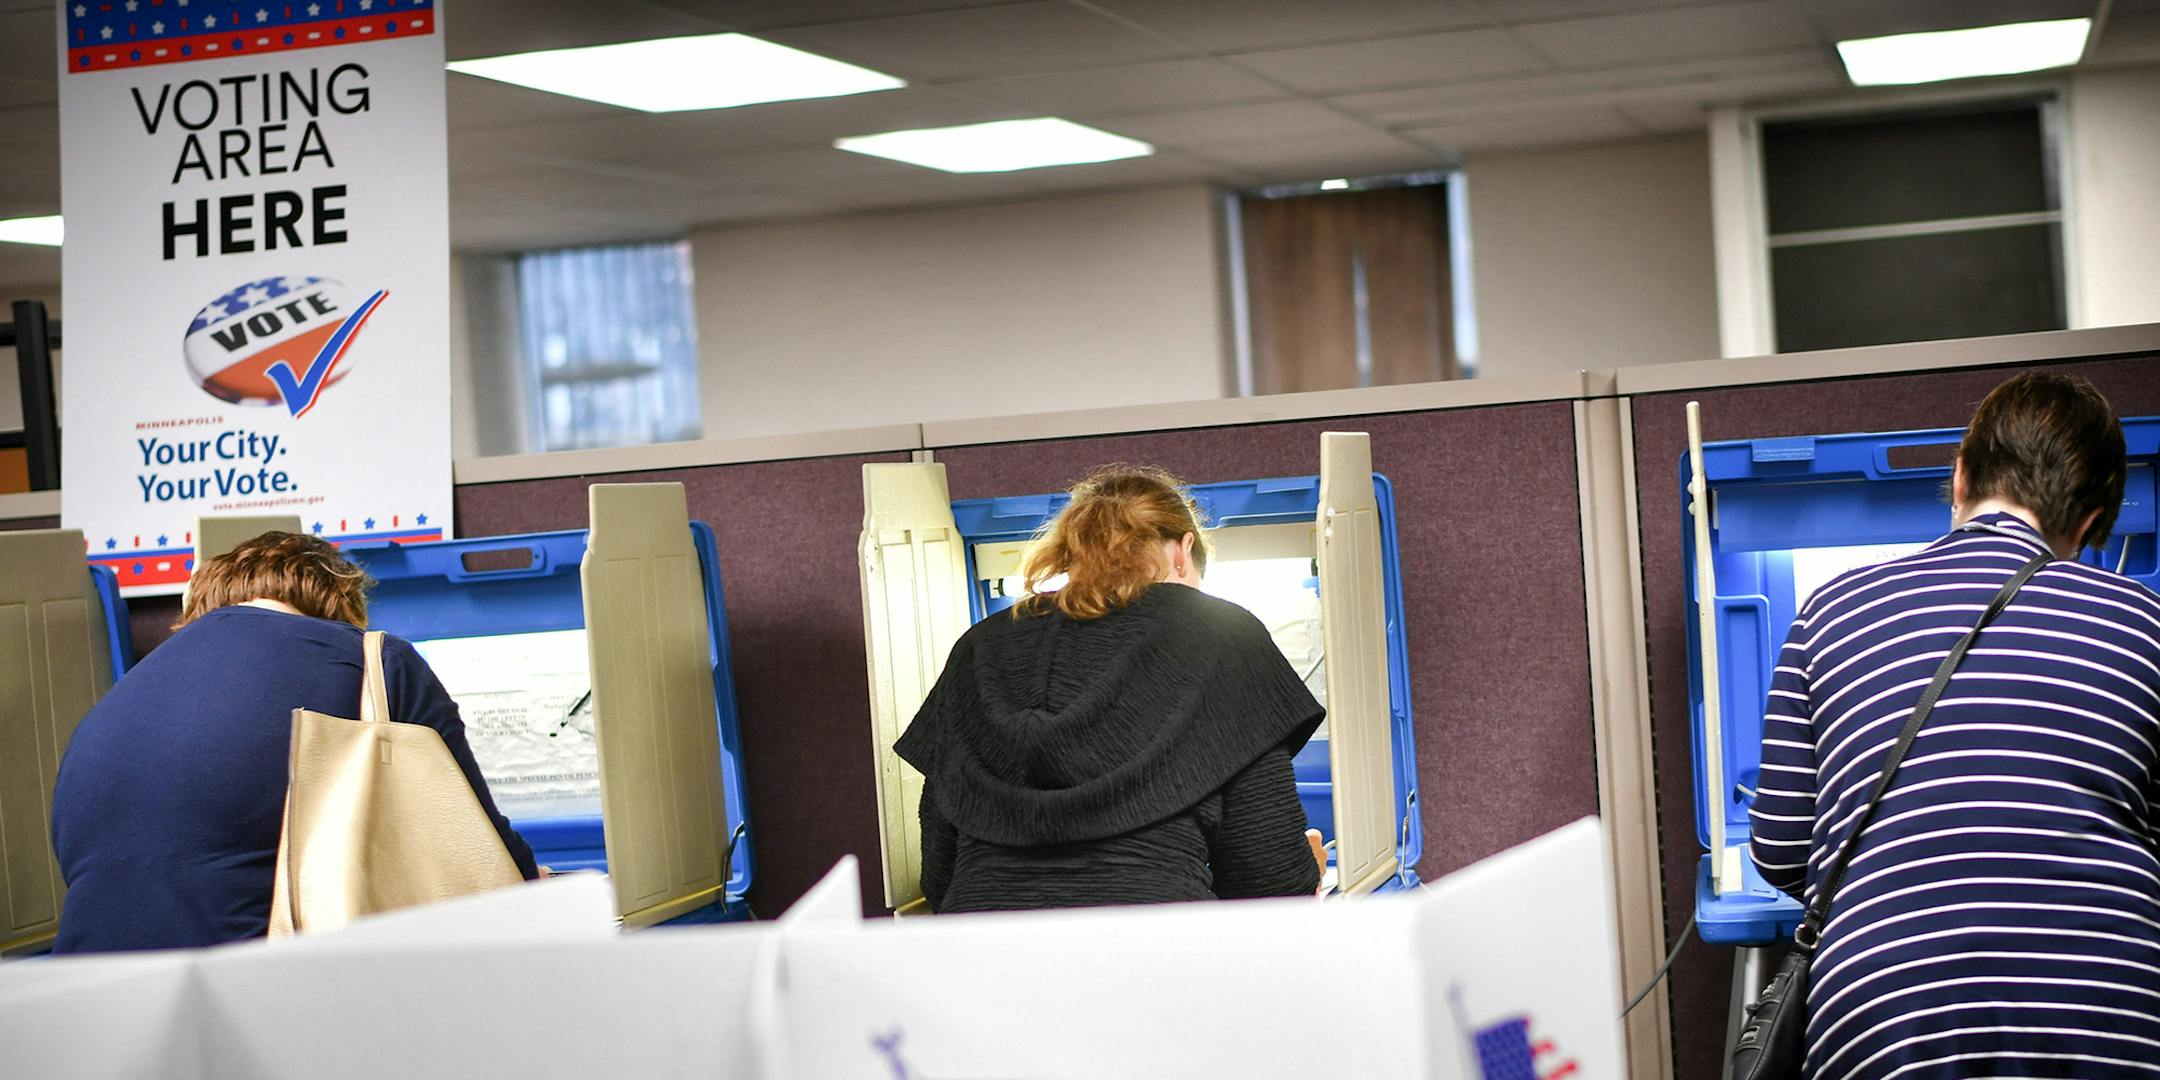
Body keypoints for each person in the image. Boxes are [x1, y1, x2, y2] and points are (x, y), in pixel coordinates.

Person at [1749, 372, 2160, 1079]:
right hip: (2108, 1017)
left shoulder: (1831, 610)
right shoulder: (2145, 621)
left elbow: (1780, 851)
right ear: (2091, 522)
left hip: (1885, 1023)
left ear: (1960, 474)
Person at [50, 532, 537, 953]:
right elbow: (485, 853)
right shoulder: (372, 660)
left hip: (85, 1011)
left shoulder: (108, 708)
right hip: (247, 1000)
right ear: (338, 605)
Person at [896, 464, 1329, 912]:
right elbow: (1266, 882)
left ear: (1072, 551)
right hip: (1152, 948)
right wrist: (1309, 866)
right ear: (1184, 552)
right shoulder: (1224, 634)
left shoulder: (980, 645)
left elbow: (941, 871)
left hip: (981, 944)